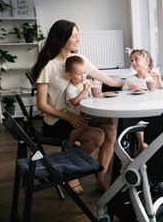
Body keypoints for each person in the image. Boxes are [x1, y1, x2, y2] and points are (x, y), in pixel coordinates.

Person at [32, 19, 124, 193]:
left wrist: (136, 82)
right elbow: (41, 105)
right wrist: (69, 117)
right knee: (98, 136)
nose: (78, 40)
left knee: (111, 128)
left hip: (81, 116)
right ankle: (70, 172)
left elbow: (110, 81)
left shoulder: (80, 60)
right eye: (74, 36)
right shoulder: (48, 67)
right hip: (58, 121)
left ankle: (101, 177)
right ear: (62, 38)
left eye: (77, 36)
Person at [123, 49, 163, 154]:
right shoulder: (130, 79)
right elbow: (123, 98)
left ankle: (142, 154)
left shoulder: (154, 77)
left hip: (153, 112)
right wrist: (128, 92)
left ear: (146, 61)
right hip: (137, 113)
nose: (133, 62)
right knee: (144, 144)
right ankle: (141, 147)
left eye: (136, 59)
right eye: (131, 60)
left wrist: (159, 80)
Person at [64, 55, 102, 150]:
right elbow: (75, 102)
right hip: (78, 117)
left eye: (84, 73)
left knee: (108, 119)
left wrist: (96, 85)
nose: (83, 76)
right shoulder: (70, 89)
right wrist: (84, 90)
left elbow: (94, 97)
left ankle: (120, 140)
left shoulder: (85, 82)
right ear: (69, 75)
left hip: (88, 114)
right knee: (82, 128)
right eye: (79, 74)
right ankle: (69, 144)